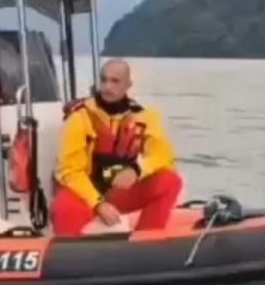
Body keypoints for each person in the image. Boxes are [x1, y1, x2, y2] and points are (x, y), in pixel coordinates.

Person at [52, 59, 183, 236]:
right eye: (104, 80)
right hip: (85, 190)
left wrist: (137, 169)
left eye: (115, 81)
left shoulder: (144, 116)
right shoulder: (79, 118)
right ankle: (68, 256)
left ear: (128, 84)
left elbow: (163, 156)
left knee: (170, 181)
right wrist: (98, 203)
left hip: (117, 191)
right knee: (64, 206)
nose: (107, 86)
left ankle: (147, 241)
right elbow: (69, 171)